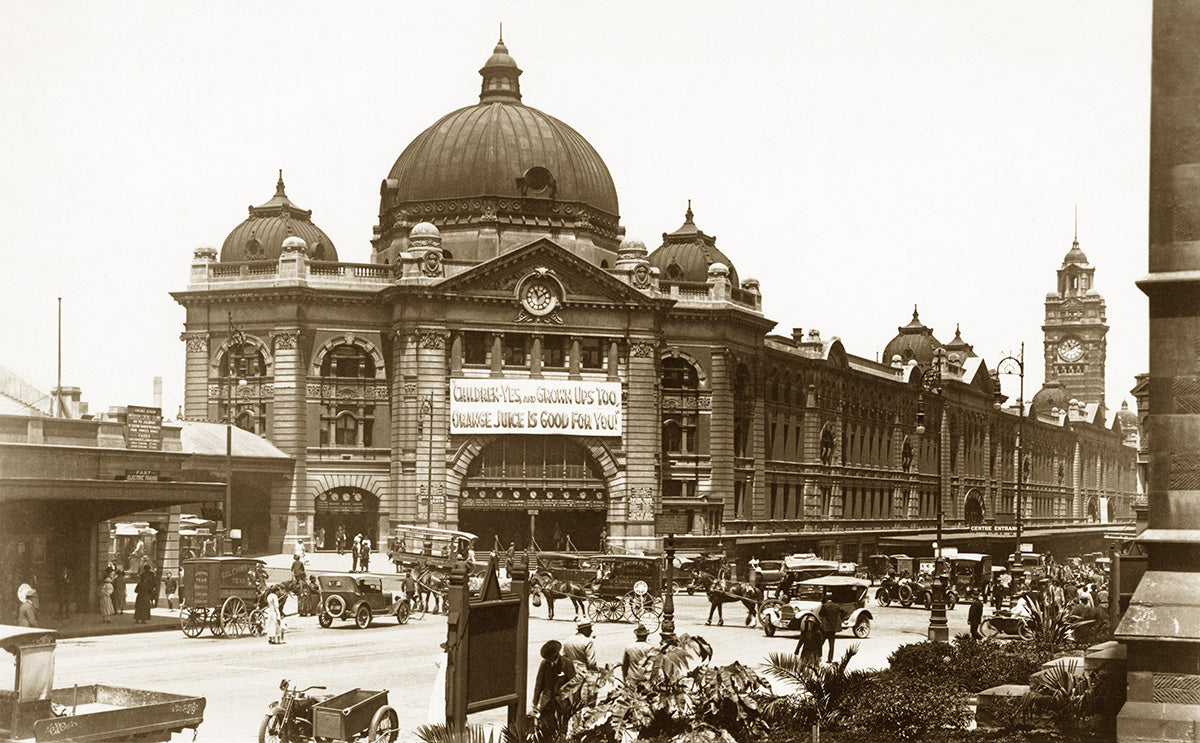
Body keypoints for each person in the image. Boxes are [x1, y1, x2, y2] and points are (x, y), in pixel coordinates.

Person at [531, 639, 576, 739]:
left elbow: (574, 682)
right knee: (546, 724)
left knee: (562, 725)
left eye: (550, 658)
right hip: (547, 699)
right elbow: (539, 683)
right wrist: (535, 702)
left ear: (555, 655)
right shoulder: (544, 664)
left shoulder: (566, 663)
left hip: (562, 700)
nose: (548, 660)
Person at [818, 596, 846, 662]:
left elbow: (820, 614)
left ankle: (819, 657)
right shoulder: (837, 606)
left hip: (825, 627)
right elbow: (844, 612)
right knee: (831, 645)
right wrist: (839, 618)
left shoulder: (825, 606)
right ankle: (830, 659)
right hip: (833, 628)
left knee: (820, 643)